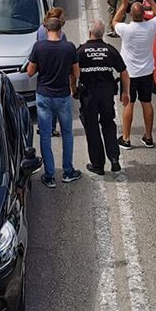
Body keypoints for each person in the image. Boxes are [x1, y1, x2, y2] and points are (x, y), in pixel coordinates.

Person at [27, 16, 82, 188]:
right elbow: (76, 72)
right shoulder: (69, 47)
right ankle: (68, 171)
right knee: (67, 134)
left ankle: (49, 175)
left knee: (45, 135)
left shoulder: (39, 47)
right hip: (63, 95)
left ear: (46, 30)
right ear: (60, 30)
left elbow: (29, 72)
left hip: (43, 95)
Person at [112, 0, 156, 149]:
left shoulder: (126, 30)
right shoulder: (150, 26)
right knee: (147, 103)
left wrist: (123, 4)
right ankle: (148, 137)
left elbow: (114, 21)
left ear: (131, 15)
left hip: (129, 73)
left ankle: (126, 138)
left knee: (129, 103)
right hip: (146, 72)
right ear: (143, 15)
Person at [77, 19, 129, 175]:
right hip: (106, 93)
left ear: (89, 32)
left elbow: (73, 72)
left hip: (89, 95)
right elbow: (124, 72)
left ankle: (98, 165)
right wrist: (125, 92)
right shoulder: (110, 50)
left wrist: (73, 89)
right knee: (108, 123)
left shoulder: (80, 51)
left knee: (92, 127)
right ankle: (114, 158)